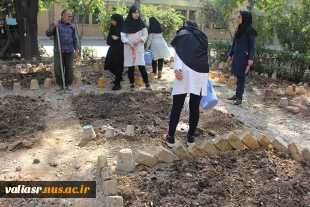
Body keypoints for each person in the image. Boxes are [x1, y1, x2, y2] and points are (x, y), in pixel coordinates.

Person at [162, 20, 209, 147]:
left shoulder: (182, 33)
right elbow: (205, 56)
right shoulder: (202, 36)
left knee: (177, 104)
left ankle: (170, 137)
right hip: (201, 71)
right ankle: (191, 137)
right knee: (194, 105)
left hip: (184, 70)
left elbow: (178, 52)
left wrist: (177, 68)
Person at [227, 10, 257, 105]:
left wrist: (250, 58)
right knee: (238, 75)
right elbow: (234, 43)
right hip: (237, 56)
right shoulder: (239, 29)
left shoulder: (250, 31)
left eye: (239, 17)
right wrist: (230, 54)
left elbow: (252, 46)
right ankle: (236, 94)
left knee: (241, 77)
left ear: (244, 18)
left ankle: (239, 97)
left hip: (244, 57)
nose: (237, 18)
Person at [46, 9, 78, 91]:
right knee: (58, 68)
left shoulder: (71, 26)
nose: (70, 18)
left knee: (69, 68)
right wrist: (53, 26)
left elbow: (75, 39)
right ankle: (59, 85)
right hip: (58, 50)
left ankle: (68, 84)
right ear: (63, 16)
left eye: (71, 16)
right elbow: (48, 33)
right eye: (69, 16)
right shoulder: (56, 24)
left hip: (69, 50)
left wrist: (76, 50)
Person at [121, 5, 151, 90]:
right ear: (131, 13)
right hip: (129, 47)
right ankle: (131, 83)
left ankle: (147, 83)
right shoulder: (126, 24)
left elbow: (145, 35)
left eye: (137, 12)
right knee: (130, 66)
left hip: (139, 47)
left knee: (141, 65)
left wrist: (139, 40)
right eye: (134, 12)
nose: (136, 14)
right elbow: (123, 36)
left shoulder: (141, 24)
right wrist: (129, 43)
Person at [104, 14, 124, 91]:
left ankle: (117, 83)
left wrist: (117, 38)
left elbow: (125, 40)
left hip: (120, 50)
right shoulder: (112, 28)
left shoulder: (123, 28)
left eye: (113, 20)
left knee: (118, 66)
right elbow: (108, 40)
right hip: (112, 49)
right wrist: (113, 40)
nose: (112, 22)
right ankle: (119, 77)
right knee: (108, 64)